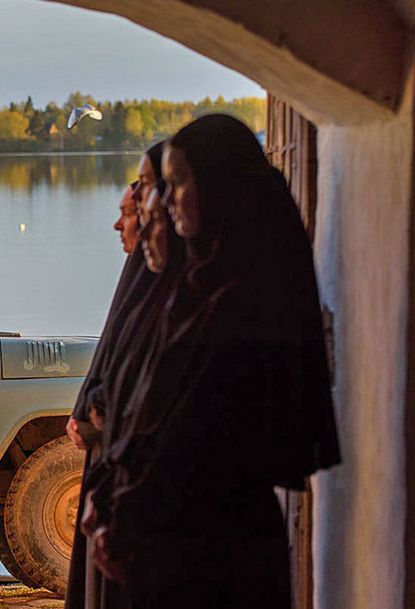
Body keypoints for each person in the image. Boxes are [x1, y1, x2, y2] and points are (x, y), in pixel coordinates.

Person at [89, 114, 340, 607]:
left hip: (215, 558)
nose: (164, 199)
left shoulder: (245, 306)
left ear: (223, 190)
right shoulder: (192, 295)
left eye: (179, 183)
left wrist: (131, 511)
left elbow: (198, 443)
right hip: (169, 550)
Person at [64, 143, 164, 609]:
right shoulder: (140, 278)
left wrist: (105, 411)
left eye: (135, 209)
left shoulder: (168, 284)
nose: (121, 224)